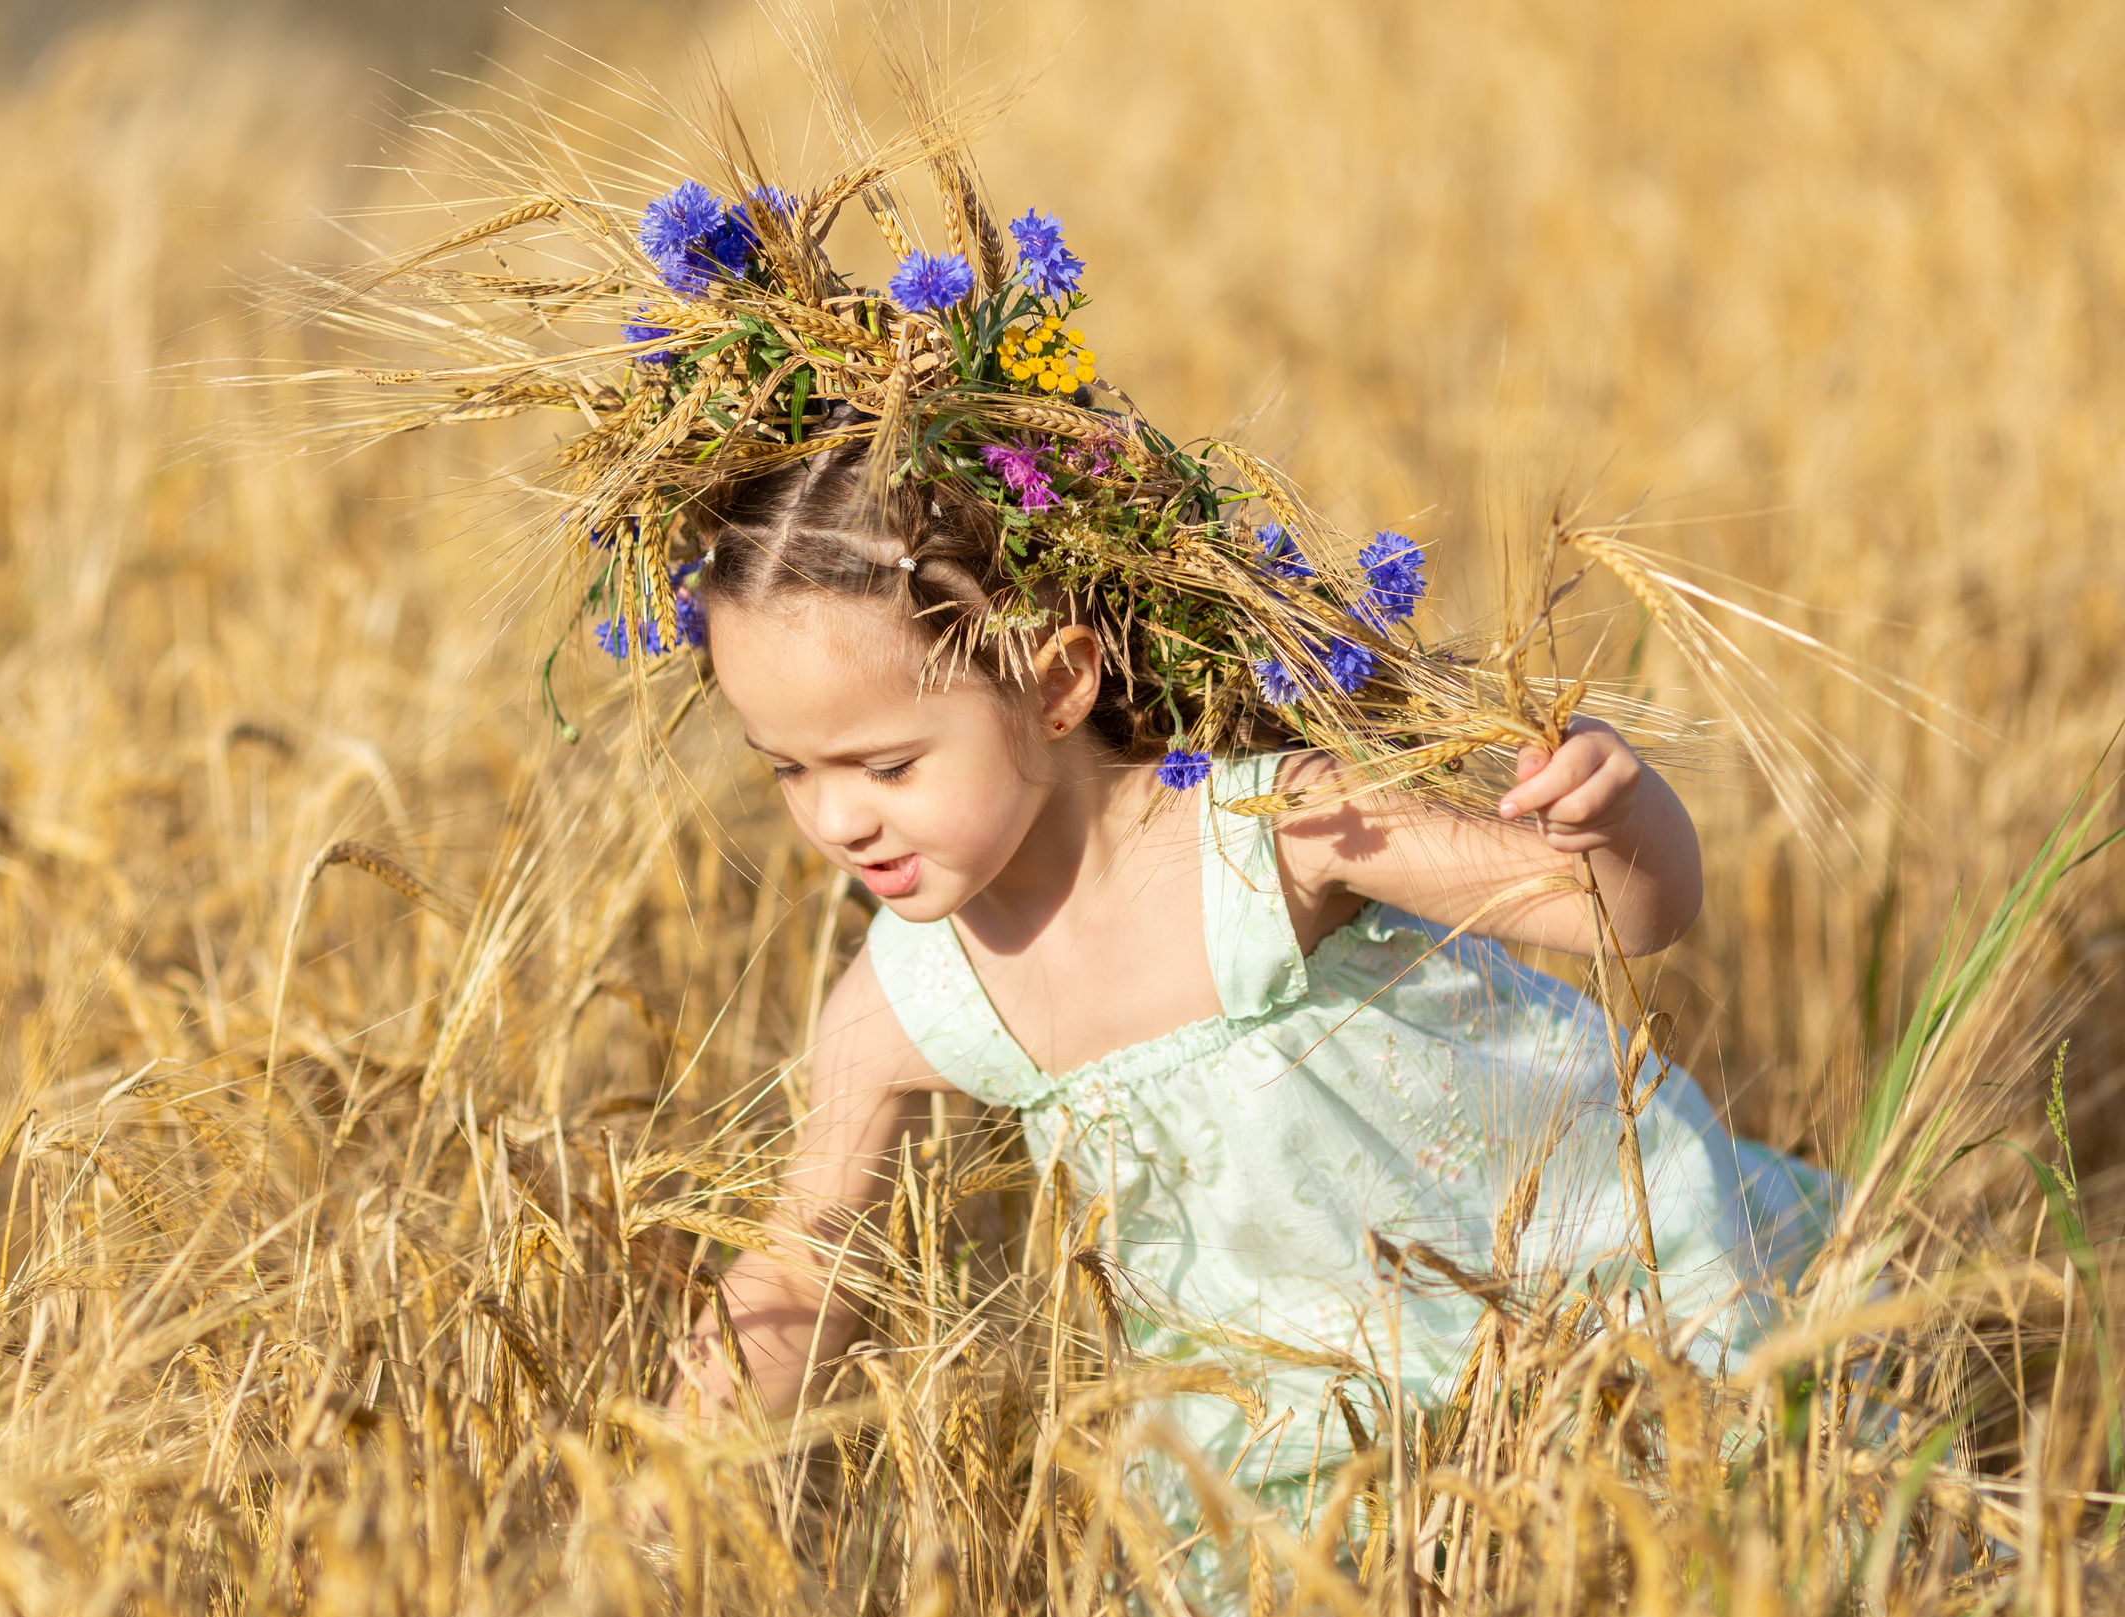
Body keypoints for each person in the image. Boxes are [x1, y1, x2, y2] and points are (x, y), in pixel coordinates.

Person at [668, 428, 1835, 1517]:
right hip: (1289, 1441)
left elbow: (1618, 915)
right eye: (787, 770)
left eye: (886, 766)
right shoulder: (904, 1001)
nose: (835, 820)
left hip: (1573, 1300)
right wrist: (668, 1492)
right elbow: (805, 1268)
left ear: (1059, 682)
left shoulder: (1270, 831)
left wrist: (1616, 811)